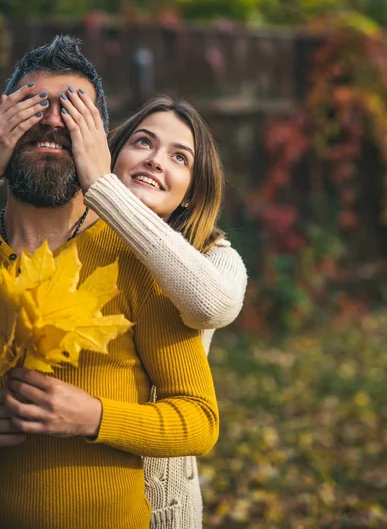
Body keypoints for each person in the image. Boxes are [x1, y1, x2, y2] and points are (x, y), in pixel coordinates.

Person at [0, 37, 220, 529]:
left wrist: (95, 417)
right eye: (33, 106)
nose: (53, 120)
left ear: (99, 141)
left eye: (73, 111)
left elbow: (199, 420)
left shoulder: (141, 258)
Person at [61, 91, 248, 528]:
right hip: (70, 483)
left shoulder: (217, 257)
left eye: (179, 157)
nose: (156, 160)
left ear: (191, 193)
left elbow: (210, 304)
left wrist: (103, 188)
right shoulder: (65, 236)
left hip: (163, 504)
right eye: (144, 143)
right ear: (113, 152)